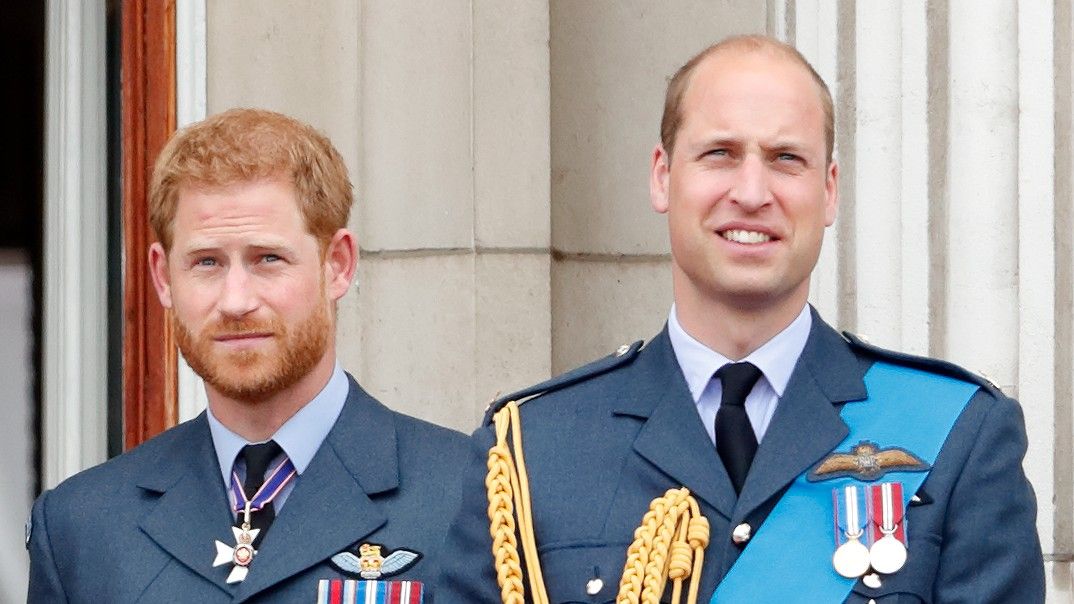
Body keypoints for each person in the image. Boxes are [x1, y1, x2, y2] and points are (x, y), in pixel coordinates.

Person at [438, 35, 1044, 603]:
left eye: (786, 158)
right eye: (720, 154)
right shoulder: (530, 453)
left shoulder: (960, 436)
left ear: (829, 190)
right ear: (662, 176)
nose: (752, 191)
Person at [27, 108, 467, 603]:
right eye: (207, 262)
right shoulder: (81, 528)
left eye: (268, 259)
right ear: (162, 276)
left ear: (337, 266)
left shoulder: (469, 495)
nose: (236, 301)